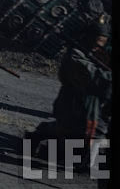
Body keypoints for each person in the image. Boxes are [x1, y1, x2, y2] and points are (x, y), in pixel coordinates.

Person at [25, 20, 112, 170]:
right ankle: (41, 133)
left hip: (92, 108)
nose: (98, 47)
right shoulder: (75, 56)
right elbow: (96, 79)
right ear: (87, 38)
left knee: (93, 138)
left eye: (101, 44)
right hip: (72, 106)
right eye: (96, 42)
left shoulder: (96, 54)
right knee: (76, 133)